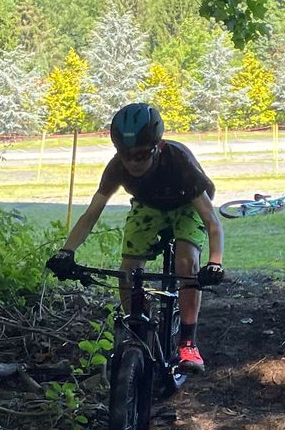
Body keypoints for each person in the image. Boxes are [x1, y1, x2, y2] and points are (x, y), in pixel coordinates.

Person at [47, 101, 225, 369]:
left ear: (159, 146)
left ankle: (188, 343)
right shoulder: (116, 167)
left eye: (141, 155)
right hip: (148, 205)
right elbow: (91, 214)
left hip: (186, 205)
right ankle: (136, 326)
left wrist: (214, 262)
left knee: (186, 264)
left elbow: (212, 221)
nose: (133, 163)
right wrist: (66, 251)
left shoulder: (179, 162)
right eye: (125, 155)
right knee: (128, 270)